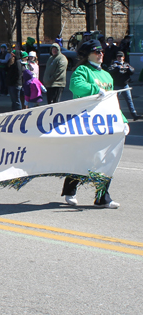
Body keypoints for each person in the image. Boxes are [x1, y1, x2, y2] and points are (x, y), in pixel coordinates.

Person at [62, 39, 124, 209]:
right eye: (97, 52)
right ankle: (70, 190)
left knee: (106, 160)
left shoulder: (106, 75)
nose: (100, 54)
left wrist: (122, 121)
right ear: (88, 54)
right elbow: (76, 87)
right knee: (83, 159)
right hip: (86, 123)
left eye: (102, 51)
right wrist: (96, 90)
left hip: (105, 124)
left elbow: (113, 102)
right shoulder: (82, 70)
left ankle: (102, 197)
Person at [108, 51, 142, 121]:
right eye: (118, 56)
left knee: (129, 100)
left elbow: (132, 71)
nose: (119, 58)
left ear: (123, 57)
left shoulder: (126, 64)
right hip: (117, 85)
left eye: (121, 56)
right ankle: (114, 114)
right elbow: (110, 71)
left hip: (125, 85)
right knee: (115, 100)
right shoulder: (114, 64)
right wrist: (117, 68)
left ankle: (134, 114)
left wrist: (128, 69)